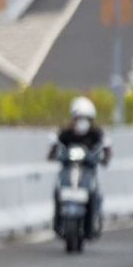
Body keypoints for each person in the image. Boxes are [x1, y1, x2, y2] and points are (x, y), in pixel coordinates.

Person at [48, 96, 111, 239]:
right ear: (74, 118)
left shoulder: (96, 134)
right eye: (79, 118)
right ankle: (57, 222)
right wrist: (54, 152)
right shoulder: (65, 134)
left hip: (87, 172)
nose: (82, 122)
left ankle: (94, 221)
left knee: (95, 193)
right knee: (57, 191)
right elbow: (54, 147)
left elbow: (106, 148)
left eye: (86, 118)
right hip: (67, 170)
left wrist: (103, 156)